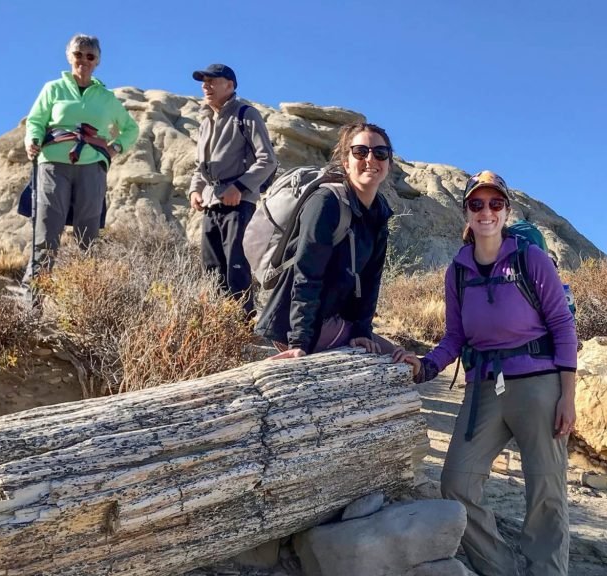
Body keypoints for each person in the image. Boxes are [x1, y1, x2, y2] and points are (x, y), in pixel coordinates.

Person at [404, 171, 578, 576]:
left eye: (495, 204)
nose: (486, 212)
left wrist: (567, 396)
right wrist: (426, 365)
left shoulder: (529, 258)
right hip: (483, 387)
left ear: (506, 211)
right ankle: (502, 569)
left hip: (539, 385)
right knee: (457, 484)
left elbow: (563, 326)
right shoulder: (458, 271)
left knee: (546, 490)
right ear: (465, 212)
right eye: (477, 204)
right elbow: (454, 336)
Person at [255, 123, 405, 360]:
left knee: (402, 359)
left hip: (334, 320)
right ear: (346, 162)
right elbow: (306, 274)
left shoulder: (379, 213)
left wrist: (362, 330)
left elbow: (370, 282)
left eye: (380, 153)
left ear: (388, 163)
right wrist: (299, 341)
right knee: (392, 361)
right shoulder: (326, 202)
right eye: (360, 152)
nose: (370, 159)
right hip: (296, 325)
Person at [23, 34, 139, 285]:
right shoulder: (52, 89)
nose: (83, 60)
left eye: (90, 56)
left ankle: (87, 303)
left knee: (88, 235)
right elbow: (35, 121)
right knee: (46, 231)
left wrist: (114, 148)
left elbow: (131, 128)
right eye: (78, 54)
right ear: (69, 56)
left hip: (91, 167)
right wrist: (32, 139)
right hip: (53, 163)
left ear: (98, 61)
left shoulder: (106, 97)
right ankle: (32, 304)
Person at [188, 64, 277, 316]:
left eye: (212, 81)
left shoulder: (246, 114)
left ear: (230, 85)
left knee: (237, 264)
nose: (205, 86)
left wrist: (239, 186)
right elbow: (200, 166)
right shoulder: (206, 120)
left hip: (240, 202)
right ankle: (220, 321)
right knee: (212, 266)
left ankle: (243, 323)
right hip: (211, 202)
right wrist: (196, 190)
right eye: (203, 82)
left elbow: (267, 159)